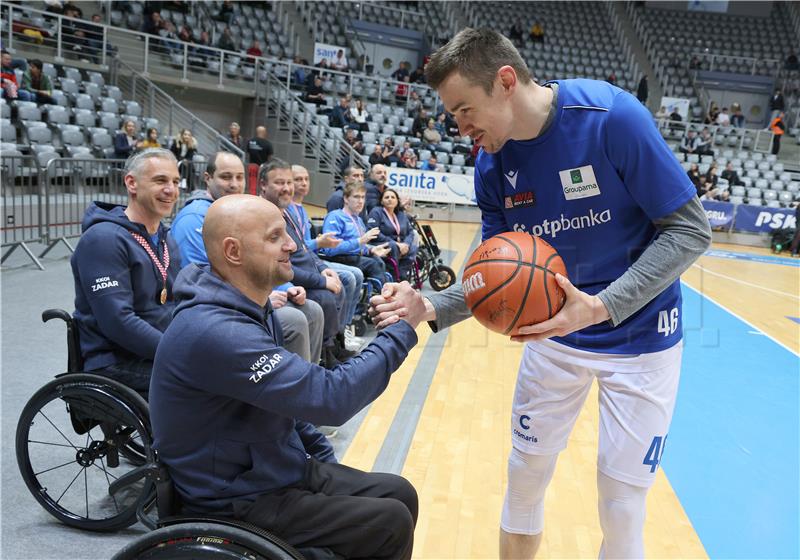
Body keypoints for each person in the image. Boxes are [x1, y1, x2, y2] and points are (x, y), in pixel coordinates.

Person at [371, 28, 711, 559]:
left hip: (643, 340)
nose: (458, 127)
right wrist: (429, 304)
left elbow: (691, 230)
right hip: (553, 337)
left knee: (621, 503)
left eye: (463, 110)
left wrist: (602, 306)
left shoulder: (612, 120)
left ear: (505, 81)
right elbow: (494, 275)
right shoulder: (492, 163)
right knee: (524, 477)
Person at [150, 193, 423, 558]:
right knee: (389, 522)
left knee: (399, 492)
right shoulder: (217, 331)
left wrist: (322, 459)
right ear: (234, 252)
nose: (293, 244)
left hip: (268, 467)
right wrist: (401, 328)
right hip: (234, 497)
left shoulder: (248, 306)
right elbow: (330, 398)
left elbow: (286, 405)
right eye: (275, 236)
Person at [171, 152, 323, 365]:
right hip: (226, 308)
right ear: (208, 178)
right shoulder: (194, 218)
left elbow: (262, 258)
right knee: (295, 319)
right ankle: (295, 387)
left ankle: (306, 375)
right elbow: (206, 279)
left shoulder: (242, 210)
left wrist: (286, 287)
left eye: (239, 177)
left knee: (312, 309)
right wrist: (263, 300)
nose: (234, 184)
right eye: (226, 177)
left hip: (254, 295)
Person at [71, 149, 182, 397]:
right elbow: (118, 322)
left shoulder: (165, 238)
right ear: (131, 183)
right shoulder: (103, 240)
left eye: (175, 182)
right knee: (212, 381)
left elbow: (184, 298)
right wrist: (178, 352)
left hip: (158, 350)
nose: (171, 190)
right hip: (116, 361)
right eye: (160, 180)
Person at [260, 160, 354, 366]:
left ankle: (335, 345)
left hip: (307, 274)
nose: (286, 188)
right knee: (325, 297)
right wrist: (321, 281)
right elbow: (281, 267)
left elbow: (304, 248)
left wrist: (324, 268)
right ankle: (326, 355)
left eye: (288, 182)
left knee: (341, 285)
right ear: (263, 185)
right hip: (292, 282)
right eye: (279, 183)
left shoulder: (288, 213)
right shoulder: (262, 218)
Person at [291, 164, 365, 348]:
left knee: (356, 273)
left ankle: (344, 328)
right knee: (349, 276)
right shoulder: (288, 211)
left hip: (313, 259)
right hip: (306, 261)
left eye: (306, 179)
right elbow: (299, 249)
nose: (303, 183)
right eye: (297, 179)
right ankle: (337, 335)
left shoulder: (301, 210)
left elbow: (305, 250)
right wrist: (319, 243)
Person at [321, 181, 390, 282]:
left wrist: (371, 250)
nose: (361, 201)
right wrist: (359, 241)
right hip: (338, 257)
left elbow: (359, 246)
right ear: (346, 199)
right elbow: (329, 250)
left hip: (355, 257)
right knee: (373, 264)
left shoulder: (359, 220)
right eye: (356, 197)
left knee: (379, 262)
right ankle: (383, 295)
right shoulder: (335, 217)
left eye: (363, 197)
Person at [367, 187, 417, 281]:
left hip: (400, 245)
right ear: (381, 201)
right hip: (380, 243)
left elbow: (410, 232)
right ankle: (393, 278)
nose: (390, 199)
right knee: (393, 246)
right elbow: (374, 232)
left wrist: (406, 244)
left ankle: (401, 275)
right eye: (386, 197)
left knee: (413, 248)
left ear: (397, 201)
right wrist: (396, 243)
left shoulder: (401, 214)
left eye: (392, 197)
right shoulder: (376, 212)